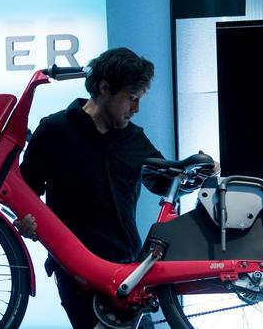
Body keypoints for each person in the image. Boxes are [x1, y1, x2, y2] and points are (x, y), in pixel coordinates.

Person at [17, 47, 163, 329]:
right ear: (104, 87)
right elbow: (26, 190)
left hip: (129, 270)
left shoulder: (135, 139)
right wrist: (25, 223)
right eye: (131, 99)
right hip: (76, 273)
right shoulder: (55, 130)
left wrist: (198, 174)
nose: (136, 109)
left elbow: (163, 183)